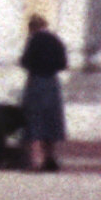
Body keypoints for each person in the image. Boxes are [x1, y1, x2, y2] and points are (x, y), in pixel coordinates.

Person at [18, 15, 72, 173]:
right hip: (52, 83)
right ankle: (50, 158)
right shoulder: (56, 40)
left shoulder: (34, 41)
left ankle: (36, 161)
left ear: (32, 27)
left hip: (36, 82)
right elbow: (63, 64)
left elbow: (25, 61)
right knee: (52, 121)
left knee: (35, 121)